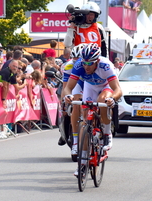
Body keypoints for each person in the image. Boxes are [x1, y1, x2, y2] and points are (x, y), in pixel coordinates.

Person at [64, 43, 122, 176]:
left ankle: (107, 134)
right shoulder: (79, 65)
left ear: (97, 61)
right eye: (84, 63)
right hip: (90, 86)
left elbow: (118, 89)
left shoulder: (105, 65)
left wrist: (112, 98)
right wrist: (68, 95)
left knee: (102, 101)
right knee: (85, 122)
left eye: (90, 64)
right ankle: (83, 163)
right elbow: (69, 87)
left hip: (105, 86)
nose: (86, 66)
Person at [58, 44, 85, 160]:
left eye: (78, 60)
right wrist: (64, 102)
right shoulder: (69, 66)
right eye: (74, 60)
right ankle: (74, 141)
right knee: (76, 104)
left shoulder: (92, 65)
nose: (76, 63)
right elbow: (65, 87)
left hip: (90, 84)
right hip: (76, 85)